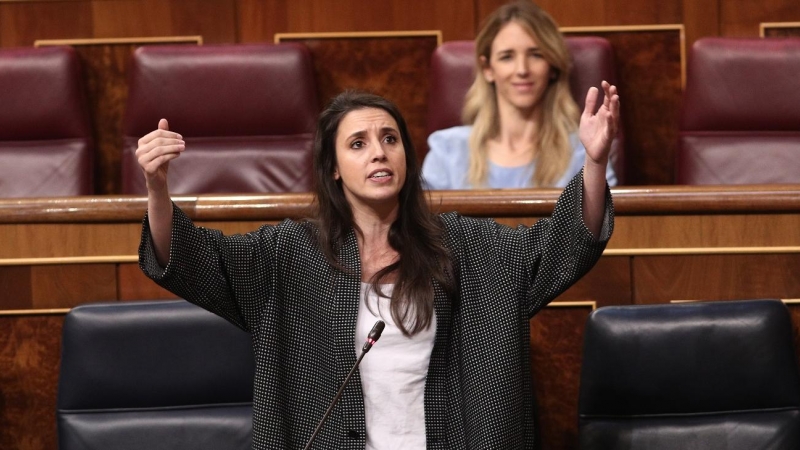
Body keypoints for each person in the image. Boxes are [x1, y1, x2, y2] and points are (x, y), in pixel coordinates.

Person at [136, 84, 618, 449]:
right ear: (333, 167)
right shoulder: (290, 253)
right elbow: (189, 260)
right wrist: (158, 188)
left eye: (389, 139)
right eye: (358, 144)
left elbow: (561, 245)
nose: (379, 152)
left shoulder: (467, 246)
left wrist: (594, 162)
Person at [422, 0, 618, 190]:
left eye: (536, 54)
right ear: (488, 68)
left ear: (552, 66)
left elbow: (608, 221)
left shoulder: (582, 150)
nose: (522, 70)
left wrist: (595, 161)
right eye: (507, 57)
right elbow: (421, 222)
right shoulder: (446, 150)